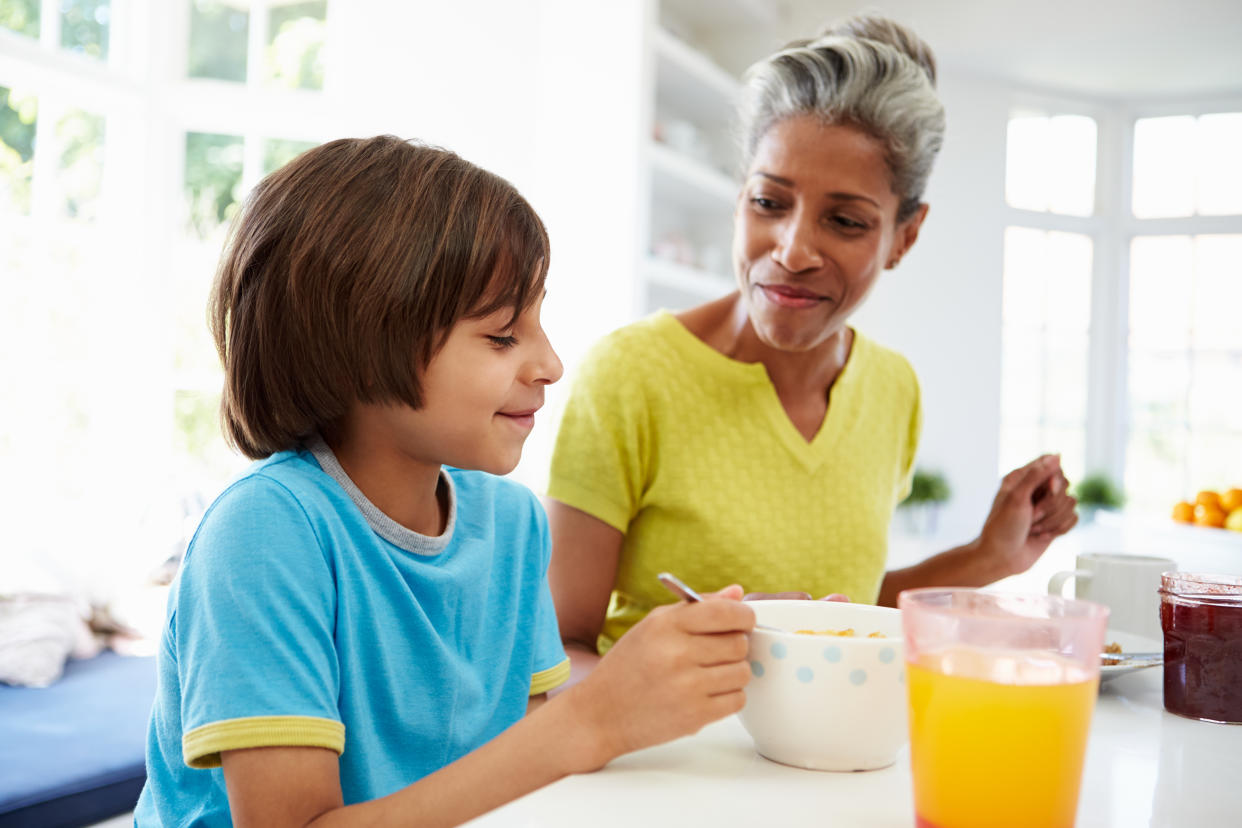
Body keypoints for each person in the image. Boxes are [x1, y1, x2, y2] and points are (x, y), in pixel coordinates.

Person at [133, 136, 756, 827]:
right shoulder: (266, 533)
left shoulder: (512, 524)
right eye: (501, 336)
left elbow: (529, 783)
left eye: (539, 323)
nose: (550, 363)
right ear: (362, 348)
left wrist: (633, 702)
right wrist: (589, 722)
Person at [545, 16, 1077, 679]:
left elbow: (845, 615)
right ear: (741, 198)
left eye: (846, 221)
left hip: (832, 764)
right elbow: (556, 655)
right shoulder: (631, 375)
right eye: (770, 201)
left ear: (905, 236)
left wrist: (990, 556)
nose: (792, 251)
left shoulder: (893, 387)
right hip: (667, 769)